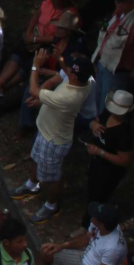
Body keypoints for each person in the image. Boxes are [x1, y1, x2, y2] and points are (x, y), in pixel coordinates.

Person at [15, 49, 93, 217]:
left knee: (53, 177)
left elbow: (33, 90)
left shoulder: (68, 97)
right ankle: (31, 185)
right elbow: (67, 71)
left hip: (54, 140)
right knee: (36, 158)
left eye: (71, 70)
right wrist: (61, 60)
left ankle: (51, 206)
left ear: (74, 76)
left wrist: (35, 66)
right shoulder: (87, 82)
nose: (68, 69)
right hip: (45, 131)